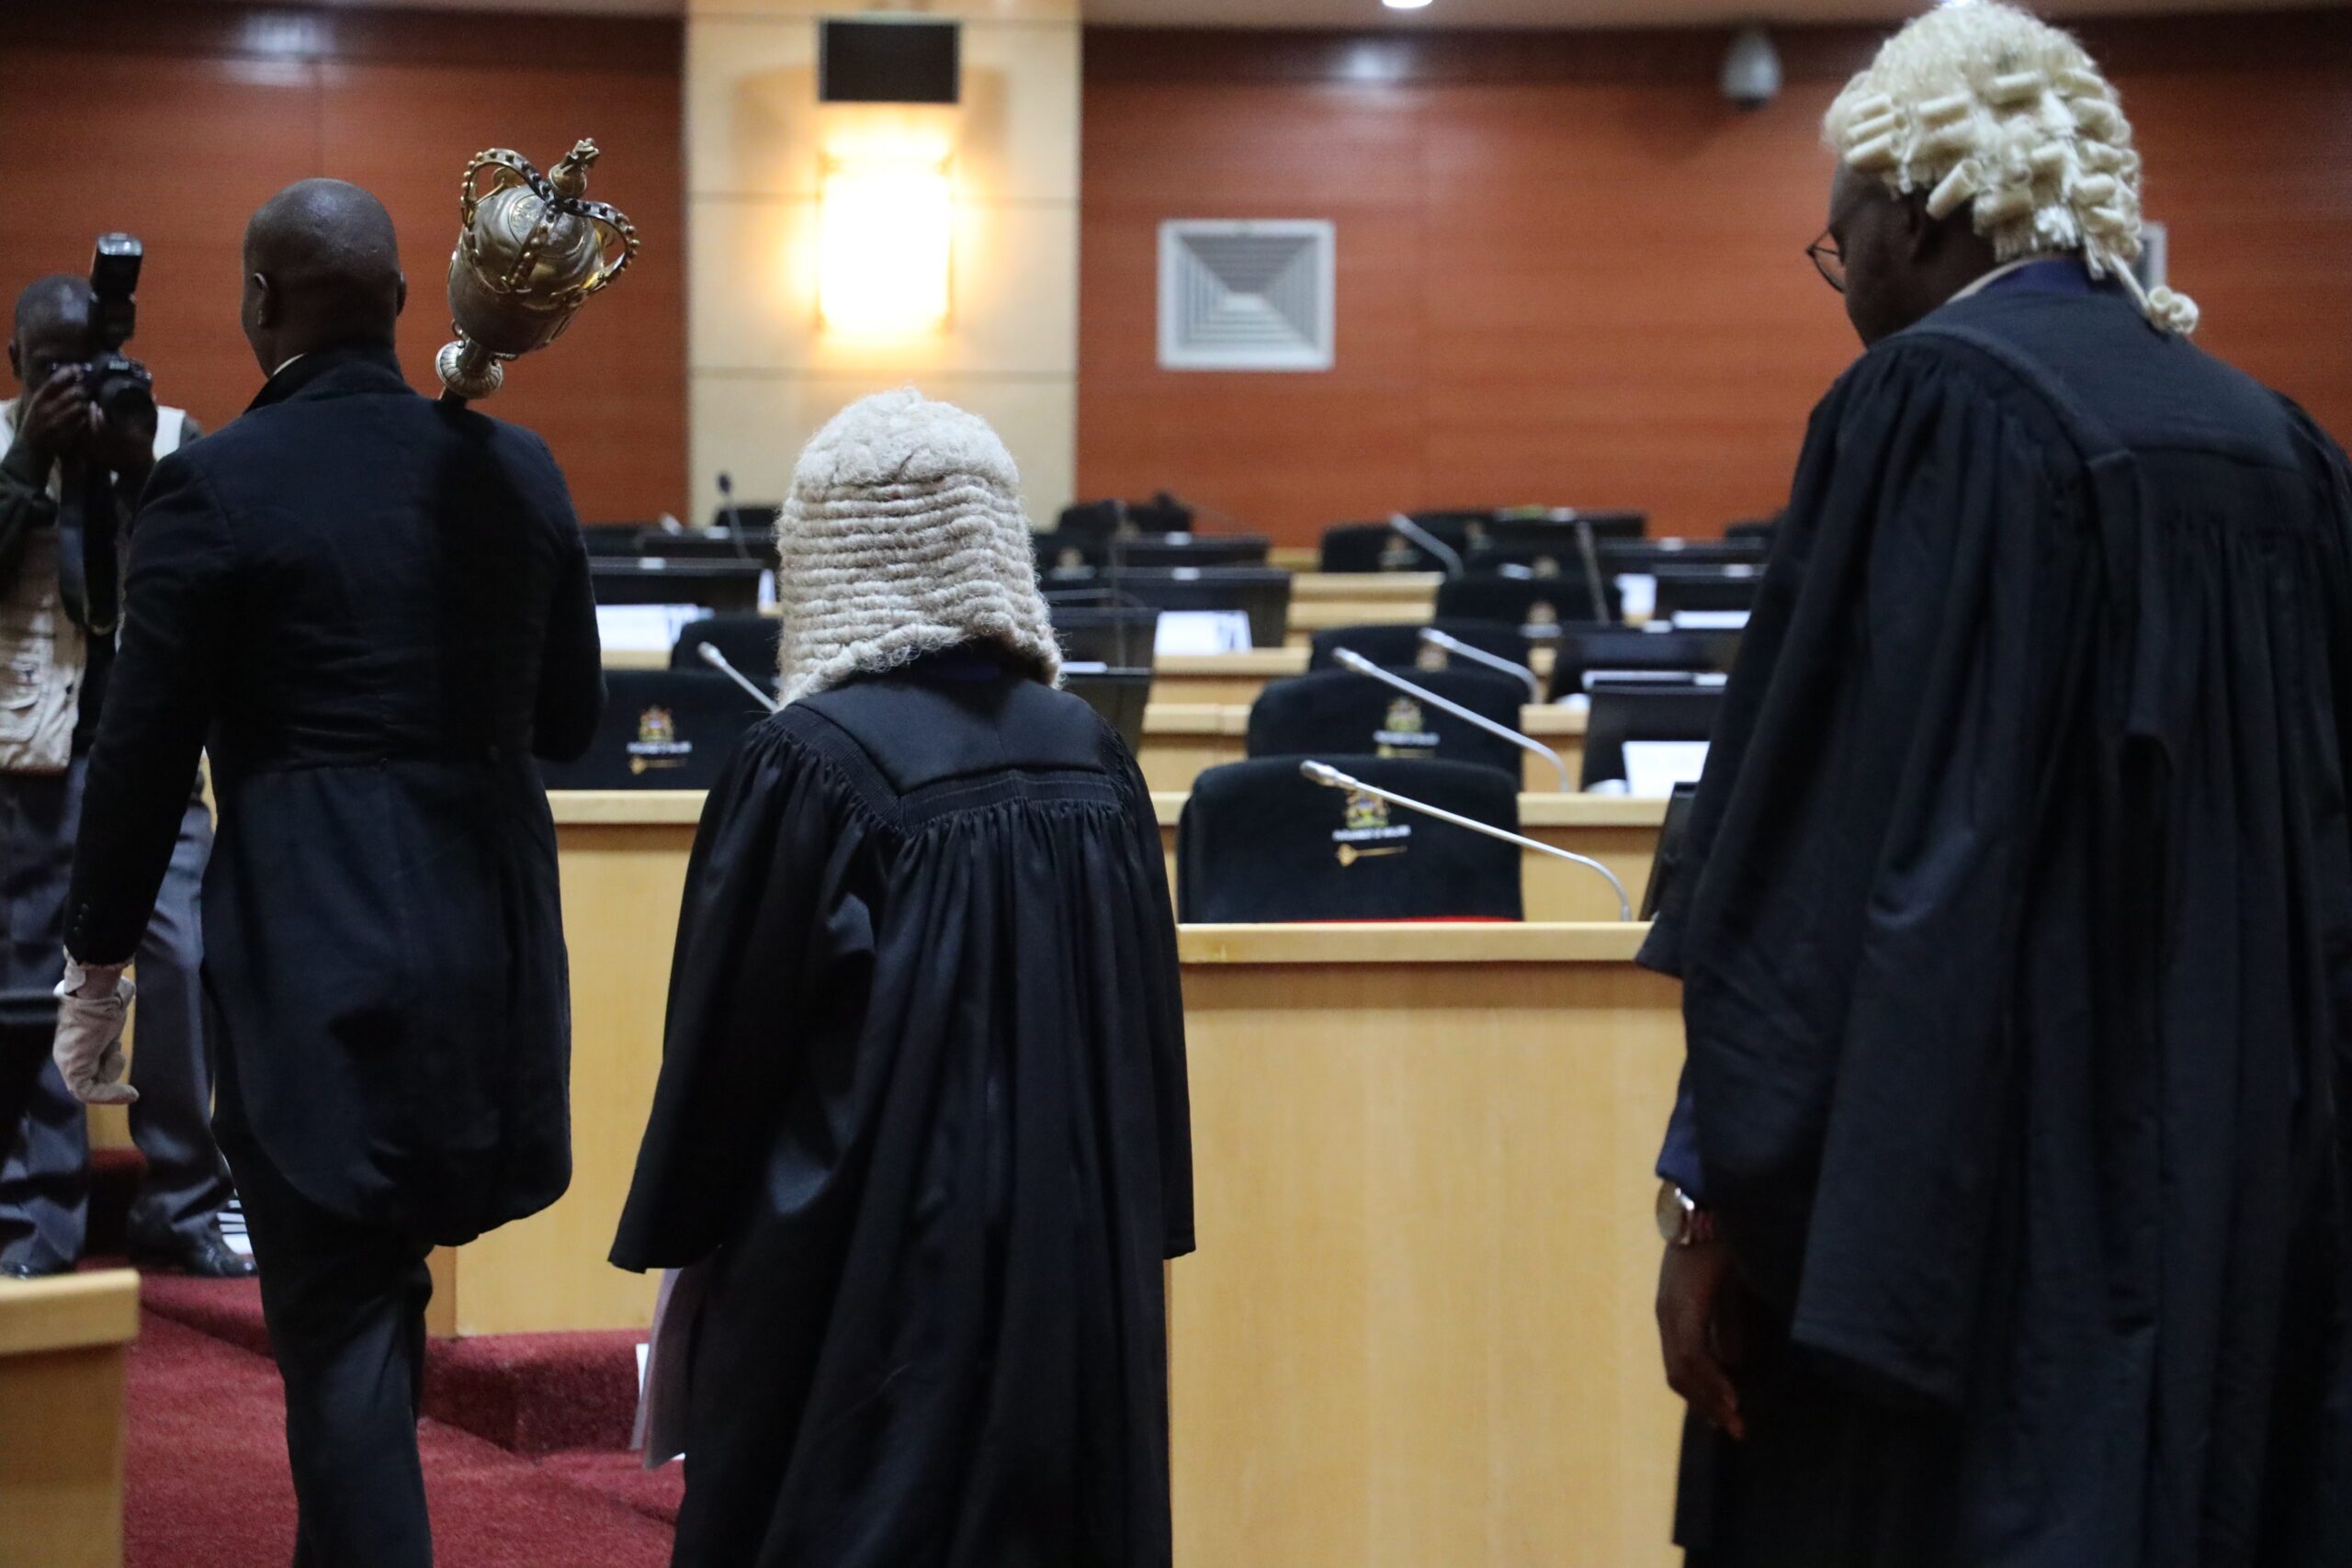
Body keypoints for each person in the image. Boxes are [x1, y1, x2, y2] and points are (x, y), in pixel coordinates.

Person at [1645, 6, 2352, 1564]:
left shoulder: (1933, 407)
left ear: (1914, 211)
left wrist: (1714, 1198)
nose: (1851, 299)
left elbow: (1831, 856)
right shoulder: (2278, 448)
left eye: (1842, 254)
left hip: (1990, 1228)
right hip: (2242, 1198)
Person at [49, 178, 604, 1568]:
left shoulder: (216, 485)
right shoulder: (517, 467)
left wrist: (97, 962)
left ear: (256, 305)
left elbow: (138, 756)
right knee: (374, 1309)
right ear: (407, 306)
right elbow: (570, 721)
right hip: (493, 971)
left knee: (346, 1329)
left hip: (320, 972)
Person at [611, 388, 1194, 1568]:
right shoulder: (1094, 756)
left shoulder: (807, 764)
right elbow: (1146, 1044)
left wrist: (680, 1233)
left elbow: (729, 1049)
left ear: (827, 553)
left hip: (870, 1275)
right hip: (1074, 1262)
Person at [0, 276, 242, 1279]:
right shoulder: (2, 442)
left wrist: (137, 466)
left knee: (184, 966)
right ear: (16, 364)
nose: (70, 384)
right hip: (29, 761)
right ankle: (36, 1219)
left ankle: (185, 1202)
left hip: (153, 761)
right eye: (48, 366)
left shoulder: (172, 437)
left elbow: (222, 574)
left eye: (87, 365)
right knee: (32, 990)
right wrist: (30, 462)